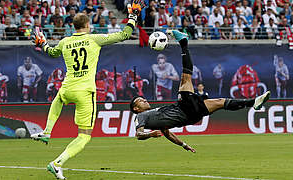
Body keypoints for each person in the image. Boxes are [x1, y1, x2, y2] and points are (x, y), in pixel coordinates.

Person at [30, 1, 143, 179]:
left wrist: (42, 43)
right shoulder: (94, 39)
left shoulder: (65, 41)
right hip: (85, 91)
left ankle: (47, 131)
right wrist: (133, 16)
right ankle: (57, 163)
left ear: (74, 26)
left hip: (67, 87)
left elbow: (51, 52)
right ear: (88, 26)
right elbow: (124, 35)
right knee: (84, 136)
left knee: (58, 99)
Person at [130, 30, 271, 152]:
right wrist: (150, 135)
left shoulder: (155, 118)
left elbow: (167, 134)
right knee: (186, 78)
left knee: (220, 102)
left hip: (192, 115)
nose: (144, 99)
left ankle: (253, 102)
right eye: (140, 101)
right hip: (185, 108)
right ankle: (183, 41)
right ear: (136, 109)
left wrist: (183, 145)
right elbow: (139, 134)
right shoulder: (141, 117)